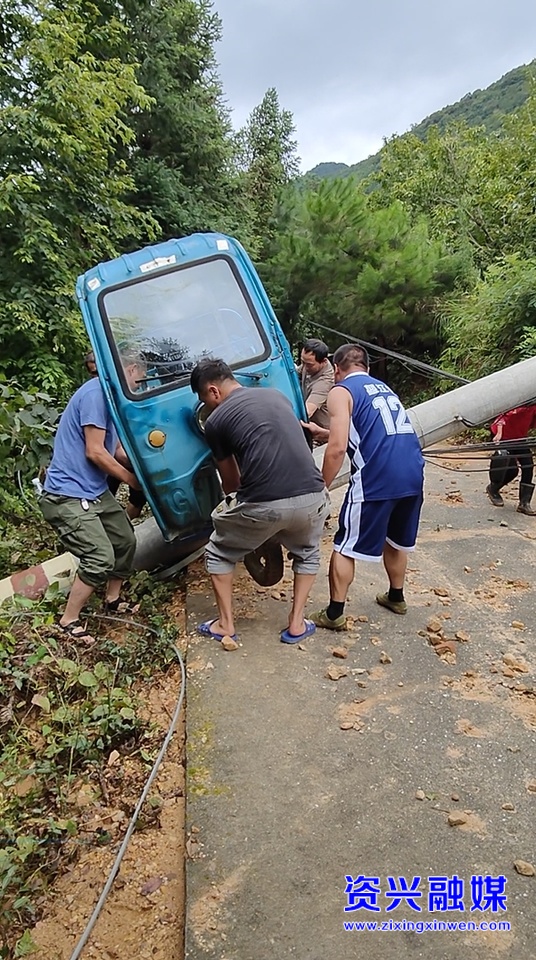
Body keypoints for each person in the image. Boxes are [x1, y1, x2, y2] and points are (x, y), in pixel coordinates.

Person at [190, 358, 330, 643]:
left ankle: (225, 625)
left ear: (214, 391)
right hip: (315, 496)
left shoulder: (216, 420)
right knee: (308, 552)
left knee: (218, 552)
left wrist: (237, 518)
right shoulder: (276, 396)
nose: (209, 405)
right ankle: (296, 625)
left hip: (265, 503)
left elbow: (231, 482)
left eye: (206, 399)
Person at [308, 344, 425, 629]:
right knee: (396, 540)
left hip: (376, 477)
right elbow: (372, 429)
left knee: (345, 544)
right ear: (367, 368)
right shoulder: (384, 389)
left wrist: (321, 486)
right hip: (413, 472)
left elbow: (336, 450)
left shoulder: (340, 391)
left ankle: (334, 614)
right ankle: (396, 597)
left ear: (336, 369)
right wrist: (324, 431)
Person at [39, 354, 145, 641]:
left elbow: (117, 450)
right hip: (66, 494)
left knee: (126, 540)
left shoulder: (111, 396)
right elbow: (95, 451)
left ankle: (112, 599)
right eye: (139, 378)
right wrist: (131, 480)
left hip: (94, 491)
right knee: (99, 556)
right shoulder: (96, 394)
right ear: (130, 370)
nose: (139, 384)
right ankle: (68, 620)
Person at [84, 348, 147, 520]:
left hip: (125, 453)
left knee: (138, 497)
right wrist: (131, 478)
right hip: (105, 461)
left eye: (100, 372)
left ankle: (125, 524)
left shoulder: (127, 394)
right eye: (93, 374)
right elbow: (96, 450)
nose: (98, 378)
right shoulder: (93, 398)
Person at [486, 405, 536, 515]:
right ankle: (493, 488)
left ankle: (524, 503)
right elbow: (500, 416)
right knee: (512, 470)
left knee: (528, 466)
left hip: (520, 439)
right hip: (505, 438)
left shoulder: (532, 405)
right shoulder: (515, 401)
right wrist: (499, 433)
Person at [297, 339, 334, 440]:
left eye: (308, 364)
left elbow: (307, 411)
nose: (304, 367)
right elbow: (295, 373)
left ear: (324, 361)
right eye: (302, 361)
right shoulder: (308, 366)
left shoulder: (325, 382)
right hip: (310, 429)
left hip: (322, 436)